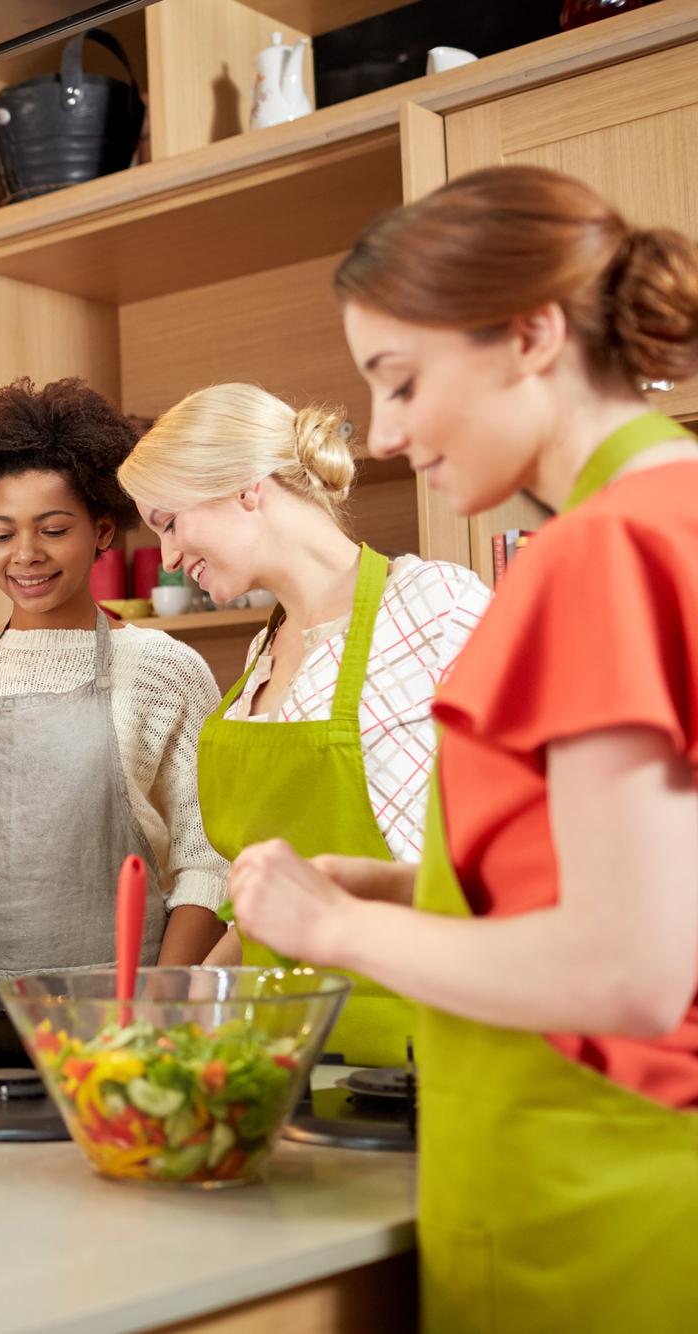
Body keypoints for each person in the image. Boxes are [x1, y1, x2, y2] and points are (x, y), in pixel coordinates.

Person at [229, 165, 698, 1331]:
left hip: (587, 1185)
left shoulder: (601, 551)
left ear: (530, 334)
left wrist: (332, 928)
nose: (382, 437)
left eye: (399, 381)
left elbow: (626, 972)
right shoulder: (676, 510)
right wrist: (417, 886)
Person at [119, 382, 488, 1066]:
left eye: (169, 522)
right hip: (280, 1067)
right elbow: (260, 909)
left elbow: (510, 864)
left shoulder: (435, 610)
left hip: (421, 1063)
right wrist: (188, 998)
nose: (166, 557)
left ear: (245, 488)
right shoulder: (261, 660)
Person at [0, 378, 229, 980]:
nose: (25, 554)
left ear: (103, 530)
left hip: (118, 1012)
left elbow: (206, 861)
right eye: (1, 534)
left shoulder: (163, 670)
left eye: (54, 529)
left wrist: (159, 1002)